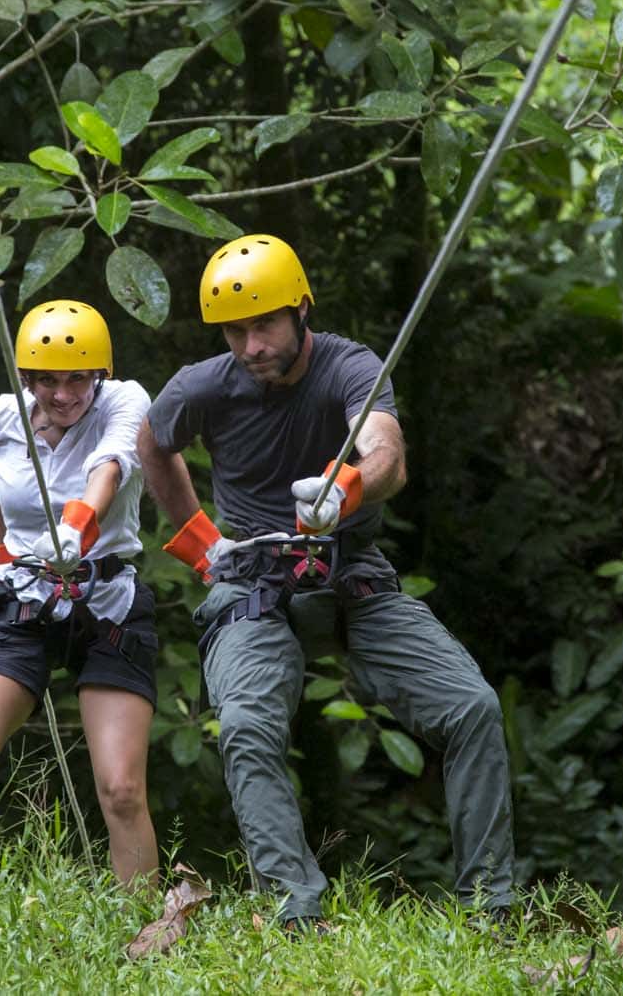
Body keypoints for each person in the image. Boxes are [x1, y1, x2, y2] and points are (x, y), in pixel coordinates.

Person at [136, 233, 516, 929]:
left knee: (473, 709)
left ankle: (488, 908)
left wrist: (345, 488)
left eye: (265, 324)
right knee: (248, 726)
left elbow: (388, 454)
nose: (251, 345)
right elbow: (151, 443)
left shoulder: (351, 367)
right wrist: (198, 538)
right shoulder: (204, 386)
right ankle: (295, 914)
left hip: (351, 573)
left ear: (302, 310)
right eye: (236, 330)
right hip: (250, 580)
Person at [0, 299, 159, 902]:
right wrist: (3, 567)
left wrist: (78, 527)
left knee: (121, 788)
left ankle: (150, 938)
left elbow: (111, 466)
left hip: (108, 601)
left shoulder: (126, 402)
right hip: (24, 604)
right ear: (26, 377)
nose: (64, 393)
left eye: (77, 377)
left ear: (98, 374)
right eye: (47, 379)